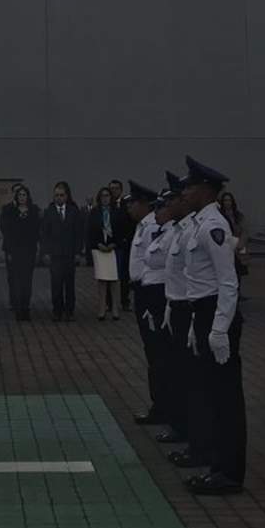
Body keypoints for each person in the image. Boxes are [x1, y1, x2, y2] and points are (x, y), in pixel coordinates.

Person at [180, 157, 245, 495]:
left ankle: (230, 473)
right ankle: (218, 467)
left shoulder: (213, 226)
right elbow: (199, 283)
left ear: (205, 190)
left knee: (226, 398)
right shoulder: (198, 223)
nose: (185, 191)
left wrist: (219, 328)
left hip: (218, 315)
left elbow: (228, 282)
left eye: (190, 186)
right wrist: (197, 323)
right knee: (213, 396)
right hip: (204, 313)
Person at [159, 170, 202, 467]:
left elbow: (223, 280)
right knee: (183, 376)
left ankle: (199, 443)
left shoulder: (201, 229)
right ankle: (190, 436)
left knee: (197, 382)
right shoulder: (181, 229)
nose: (176, 201)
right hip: (179, 307)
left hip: (194, 310)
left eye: (176, 197)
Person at [123, 180, 164, 424]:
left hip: (151, 292)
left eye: (133, 203)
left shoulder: (152, 227)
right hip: (142, 291)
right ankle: (158, 404)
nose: (129, 207)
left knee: (157, 353)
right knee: (152, 353)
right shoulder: (143, 226)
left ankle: (162, 406)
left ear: (144, 205)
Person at [39, 182, 84, 321]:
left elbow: (78, 233)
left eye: (61, 195)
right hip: (55, 254)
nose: (59, 198)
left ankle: (69, 311)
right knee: (56, 284)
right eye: (56, 195)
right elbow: (44, 234)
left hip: (70, 254)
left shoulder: (73, 211)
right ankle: (57, 310)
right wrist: (45, 252)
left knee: (69, 284)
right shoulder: (49, 212)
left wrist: (78, 252)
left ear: (67, 196)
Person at [0, 184, 40, 319]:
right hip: (15, 250)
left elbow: (37, 231)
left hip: (29, 250)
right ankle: (18, 308)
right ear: (16, 196)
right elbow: (7, 231)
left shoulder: (34, 210)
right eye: (20, 195)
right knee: (16, 280)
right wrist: (10, 251)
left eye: (24, 194)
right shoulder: (10, 211)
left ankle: (26, 307)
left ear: (28, 196)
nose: (22, 197)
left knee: (27, 281)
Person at [87, 186, 122, 320]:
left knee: (114, 279)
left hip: (113, 248)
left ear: (111, 197)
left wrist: (114, 244)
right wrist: (98, 244)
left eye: (107, 195)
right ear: (99, 198)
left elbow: (120, 230)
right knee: (102, 280)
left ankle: (115, 309)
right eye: (102, 196)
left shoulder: (116, 212)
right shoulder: (94, 212)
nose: (105, 198)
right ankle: (101, 308)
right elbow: (90, 231)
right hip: (99, 248)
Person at [108, 178, 134, 309]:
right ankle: (109, 303)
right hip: (110, 246)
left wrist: (127, 239)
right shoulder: (106, 205)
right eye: (111, 188)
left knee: (124, 275)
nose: (114, 191)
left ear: (121, 190)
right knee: (109, 275)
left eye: (116, 188)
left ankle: (124, 301)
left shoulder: (127, 204)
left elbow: (132, 224)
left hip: (124, 244)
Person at [218, 192, 248, 284]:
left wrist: (241, 243)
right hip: (225, 245)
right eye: (225, 200)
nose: (227, 202)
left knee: (238, 269)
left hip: (238, 244)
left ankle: (238, 292)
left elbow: (244, 230)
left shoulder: (238, 215)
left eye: (229, 200)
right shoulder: (219, 215)